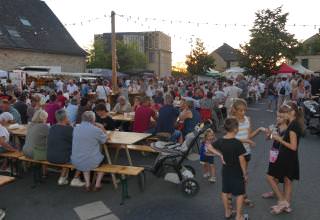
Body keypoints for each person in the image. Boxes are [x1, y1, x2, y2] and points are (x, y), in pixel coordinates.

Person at [267, 102, 303, 214]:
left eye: (285, 112)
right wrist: (276, 136)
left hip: (286, 156)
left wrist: (279, 139)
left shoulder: (293, 126)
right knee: (288, 180)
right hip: (290, 157)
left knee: (270, 177)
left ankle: (282, 201)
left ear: (292, 112)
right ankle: (286, 205)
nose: (283, 115)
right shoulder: (293, 124)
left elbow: (293, 146)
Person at [231, 98, 264, 206]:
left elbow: (249, 136)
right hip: (235, 153)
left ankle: (243, 196)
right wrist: (246, 140)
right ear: (234, 110)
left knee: (244, 176)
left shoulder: (247, 119)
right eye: (240, 110)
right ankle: (231, 197)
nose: (243, 113)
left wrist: (259, 130)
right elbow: (230, 138)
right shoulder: (231, 120)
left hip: (246, 152)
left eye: (245, 110)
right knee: (236, 176)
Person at [212, 118, 247, 220]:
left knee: (225, 191)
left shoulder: (221, 141)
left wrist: (219, 154)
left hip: (226, 171)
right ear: (235, 129)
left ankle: (227, 212)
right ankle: (238, 216)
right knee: (240, 193)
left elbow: (208, 146)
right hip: (236, 172)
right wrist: (245, 173)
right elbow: (242, 160)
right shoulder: (237, 143)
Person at [47, 109, 85, 187]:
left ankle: (62, 178)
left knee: (65, 151)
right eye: (67, 116)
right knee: (83, 156)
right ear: (65, 118)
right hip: (63, 158)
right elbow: (79, 141)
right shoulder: (69, 129)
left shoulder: (52, 128)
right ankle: (76, 179)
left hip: (50, 156)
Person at [71, 111, 107, 191]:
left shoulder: (75, 128)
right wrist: (102, 127)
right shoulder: (96, 130)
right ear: (93, 119)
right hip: (91, 161)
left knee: (85, 156)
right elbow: (105, 140)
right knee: (104, 161)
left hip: (76, 160)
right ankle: (97, 184)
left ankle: (87, 184)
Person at [262, 109, 289, 199]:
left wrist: (274, 135)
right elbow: (268, 138)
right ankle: (274, 192)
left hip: (282, 154)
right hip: (274, 152)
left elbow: (283, 141)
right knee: (274, 176)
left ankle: (281, 198)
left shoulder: (288, 129)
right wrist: (269, 134)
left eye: (281, 117)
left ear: (286, 117)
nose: (278, 118)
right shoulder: (277, 126)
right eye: (277, 116)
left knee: (270, 176)